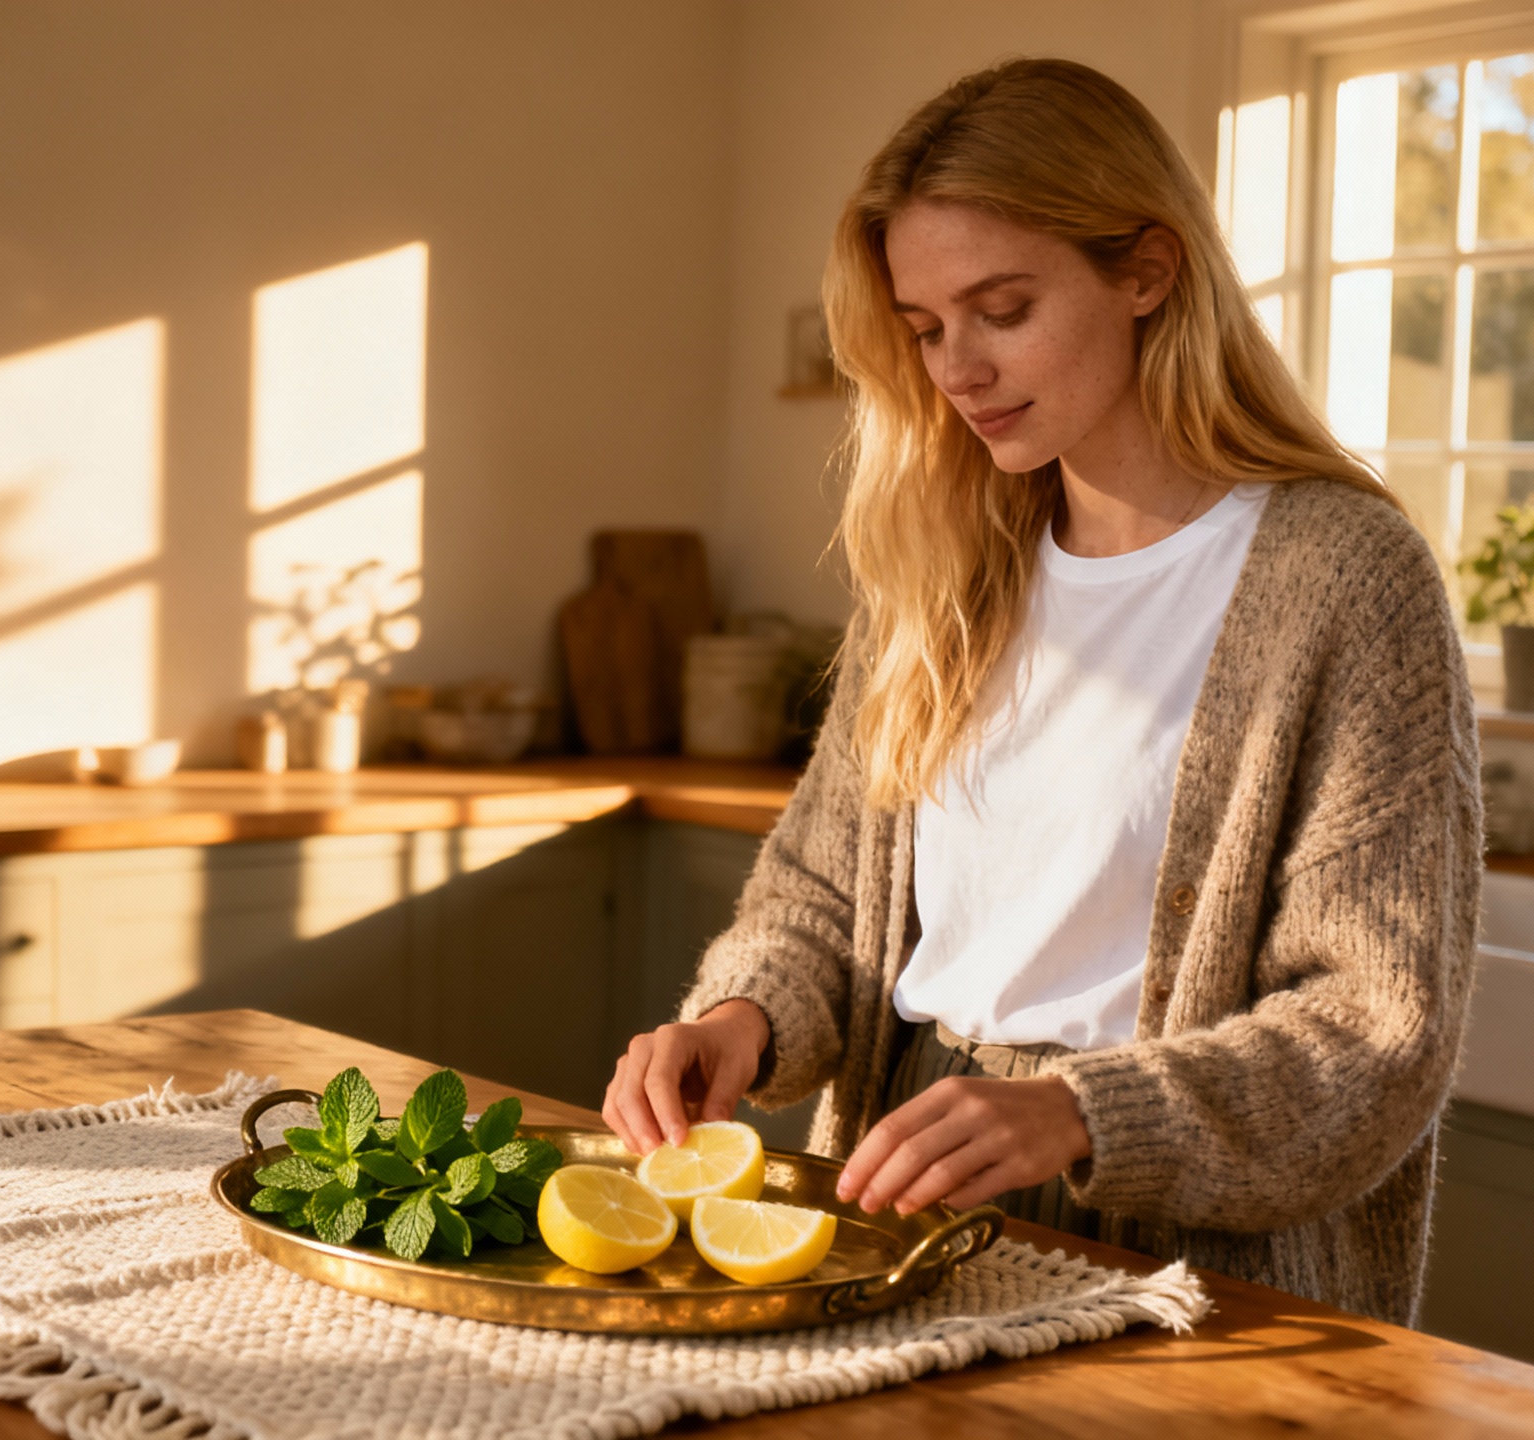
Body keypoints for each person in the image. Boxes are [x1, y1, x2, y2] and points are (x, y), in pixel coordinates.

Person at [599, 57, 1479, 1325]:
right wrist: (742, 1015)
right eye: (924, 328)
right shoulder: (945, 562)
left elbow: (1373, 1027)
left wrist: (1076, 1113)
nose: (956, 368)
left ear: (1145, 272)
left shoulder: (1339, 579)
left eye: (1001, 308)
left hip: (1181, 1268)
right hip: (902, 1198)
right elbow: (819, 891)